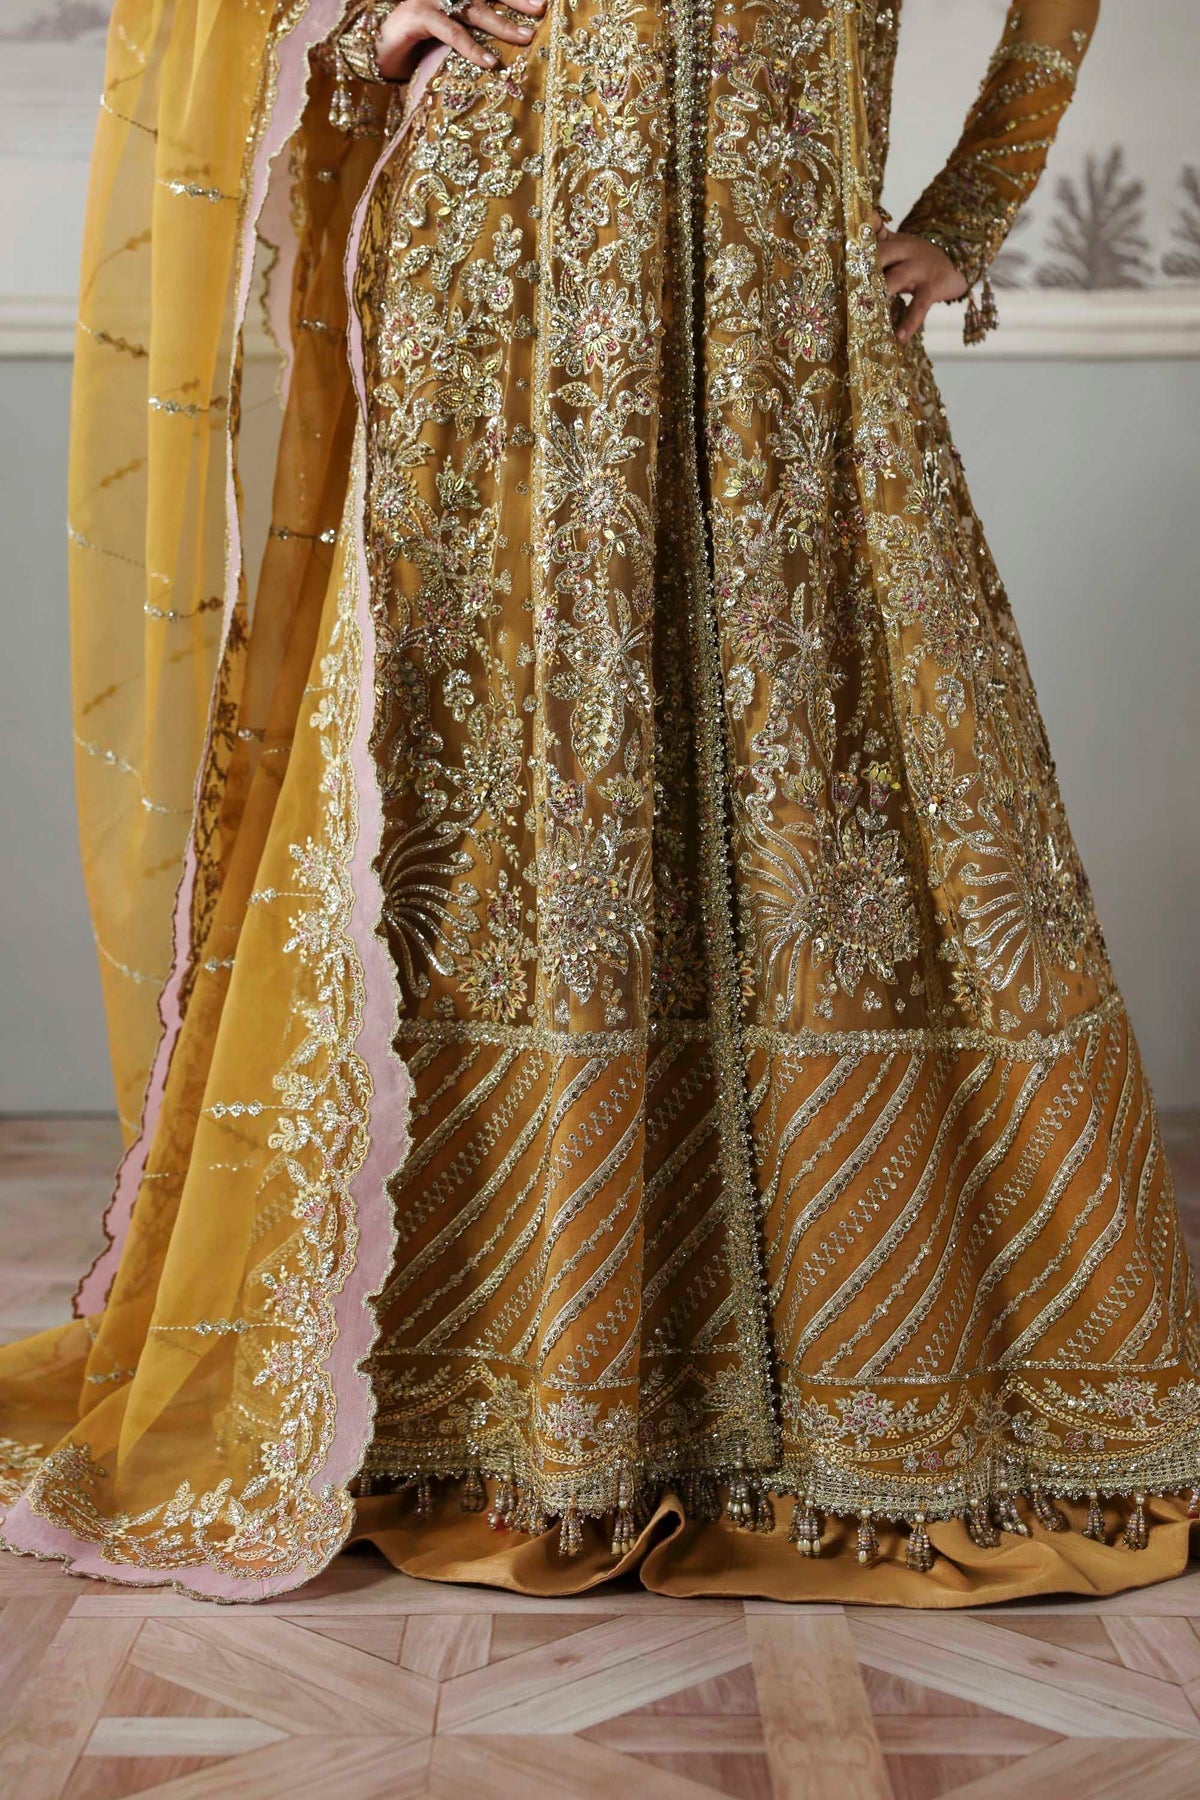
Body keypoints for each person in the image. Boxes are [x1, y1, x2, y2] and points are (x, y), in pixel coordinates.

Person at [2, 0, 1197, 1607]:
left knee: (845, 811)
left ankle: (870, 1394)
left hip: (787, 314)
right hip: (497, 295)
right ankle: (482, 1414)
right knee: (491, 823)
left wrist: (971, 209)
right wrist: (364, 27)